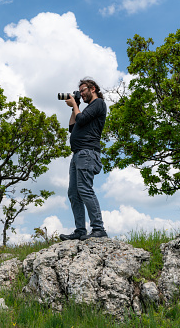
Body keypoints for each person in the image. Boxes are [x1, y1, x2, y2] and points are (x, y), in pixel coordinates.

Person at [59, 78, 108, 241]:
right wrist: (76, 106)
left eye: (83, 90)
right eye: (79, 92)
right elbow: (72, 127)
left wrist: (74, 104)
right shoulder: (84, 109)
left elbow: (80, 119)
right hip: (77, 154)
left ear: (92, 89)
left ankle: (98, 229)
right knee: (73, 192)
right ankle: (80, 230)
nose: (81, 93)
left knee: (85, 189)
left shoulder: (98, 104)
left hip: (88, 153)